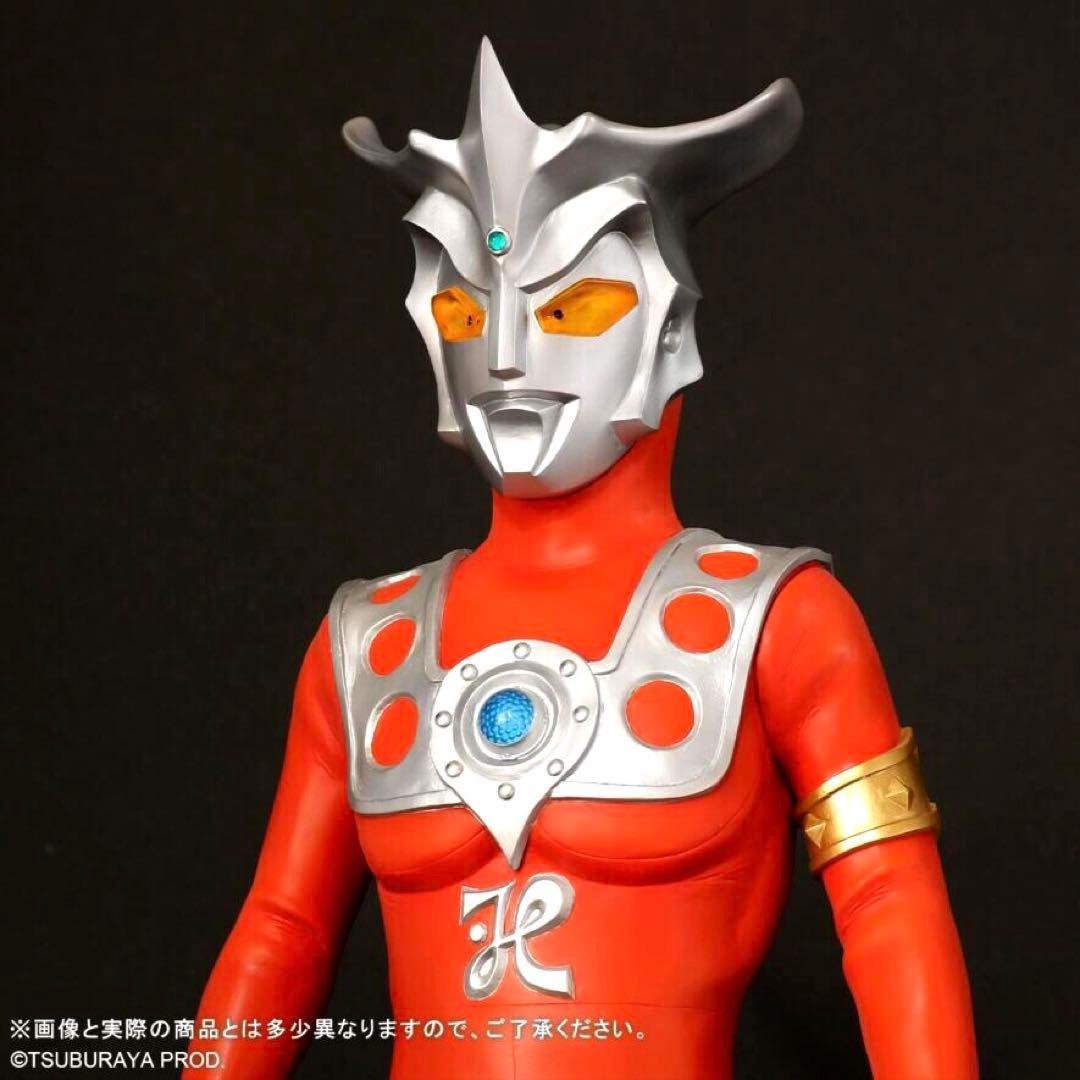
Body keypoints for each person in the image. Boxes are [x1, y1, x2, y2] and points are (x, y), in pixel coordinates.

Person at [187, 38, 978, 1079]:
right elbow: (281, 932)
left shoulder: (780, 622)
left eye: (569, 307)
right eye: (467, 308)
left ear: (669, 327)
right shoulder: (366, 646)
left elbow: (888, 907)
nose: (506, 353)